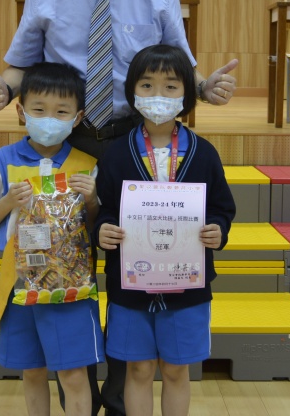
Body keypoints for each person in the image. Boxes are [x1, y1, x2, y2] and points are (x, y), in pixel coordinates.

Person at [0, 0, 239, 416]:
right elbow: (21, 64)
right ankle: (77, 391)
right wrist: (5, 88)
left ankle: (121, 400)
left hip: (133, 146)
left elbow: (179, 66)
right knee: (64, 261)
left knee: (131, 269)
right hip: (66, 143)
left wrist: (204, 87)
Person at [94, 44, 235, 416]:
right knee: (138, 369)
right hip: (129, 284)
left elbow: (222, 208)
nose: (158, 94)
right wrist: (103, 229)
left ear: (187, 93)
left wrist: (218, 230)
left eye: (170, 86)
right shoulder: (115, 154)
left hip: (187, 286)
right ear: (132, 91)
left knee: (175, 370)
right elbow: (104, 209)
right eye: (147, 85)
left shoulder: (204, 153)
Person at [0, 62, 105, 416]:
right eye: (39, 110)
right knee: (32, 371)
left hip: (71, 286)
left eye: (61, 112)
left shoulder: (87, 164)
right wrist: (7, 202)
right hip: (19, 285)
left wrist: (92, 198)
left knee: (74, 374)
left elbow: (93, 227)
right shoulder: (2, 160)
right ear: (21, 111)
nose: (49, 119)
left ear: (77, 118)